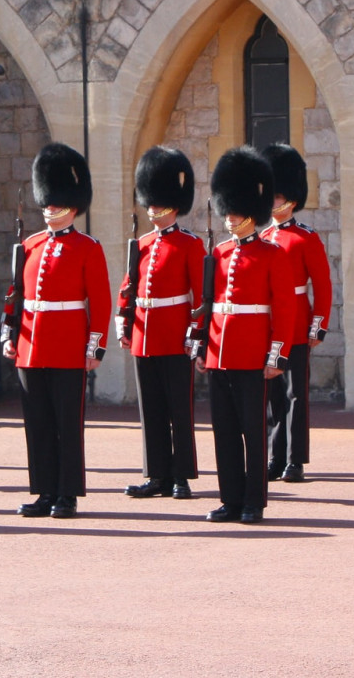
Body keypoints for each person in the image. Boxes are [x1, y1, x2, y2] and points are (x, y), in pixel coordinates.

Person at [2, 142, 111, 521]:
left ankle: (67, 493)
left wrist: (94, 347)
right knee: (38, 425)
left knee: (67, 424)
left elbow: (100, 303)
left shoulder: (87, 248)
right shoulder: (30, 245)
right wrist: (8, 336)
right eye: (46, 201)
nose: (48, 208)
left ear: (72, 205)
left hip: (67, 348)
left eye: (55, 202)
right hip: (30, 348)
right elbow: (14, 297)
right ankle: (44, 490)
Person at [198, 147, 299, 525]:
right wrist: (202, 348)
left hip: (253, 354)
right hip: (219, 354)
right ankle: (230, 499)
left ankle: (254, 500)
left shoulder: (272, 255)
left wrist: (277, 355)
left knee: (253, 431)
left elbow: (283, 310)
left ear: (251, 212)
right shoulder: (219, 253)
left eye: (237, 210)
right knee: (224, 432)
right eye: (228, 209)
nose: (231, 217)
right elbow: (208, 306)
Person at [119, 146, 203, 500]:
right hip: (144, 336)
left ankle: (181, 476)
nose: (152, 208)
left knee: (178, 410)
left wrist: (195, 337)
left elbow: (200, 299)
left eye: (157, 202)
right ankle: (156, 475)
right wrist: (124, 323)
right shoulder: (141, 244)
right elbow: (130, 288)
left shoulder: (190, 245)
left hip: (175, 337)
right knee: (150, 410)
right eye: (149, 201)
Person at [259, 143, 333, 484]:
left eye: (277, 196)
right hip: (268, 324)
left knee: (294, 394)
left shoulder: (306, 238)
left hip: (298, 324)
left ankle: (294, 460)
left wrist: (318, 326)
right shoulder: (262, 237)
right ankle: (276, 457)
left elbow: (323, 285)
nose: (272, 202)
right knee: (273, 395)